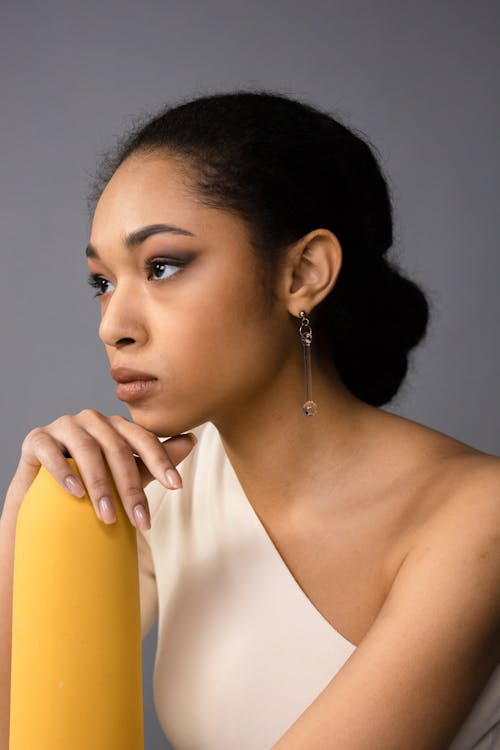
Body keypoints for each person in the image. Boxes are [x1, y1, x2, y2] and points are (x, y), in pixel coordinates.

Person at [1, 90, 499, 750]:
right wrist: (28, 514)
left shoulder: (479, 518)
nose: (112, 326)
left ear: (303, 273)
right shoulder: (158, 496)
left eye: (162, 267)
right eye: (104, 281)